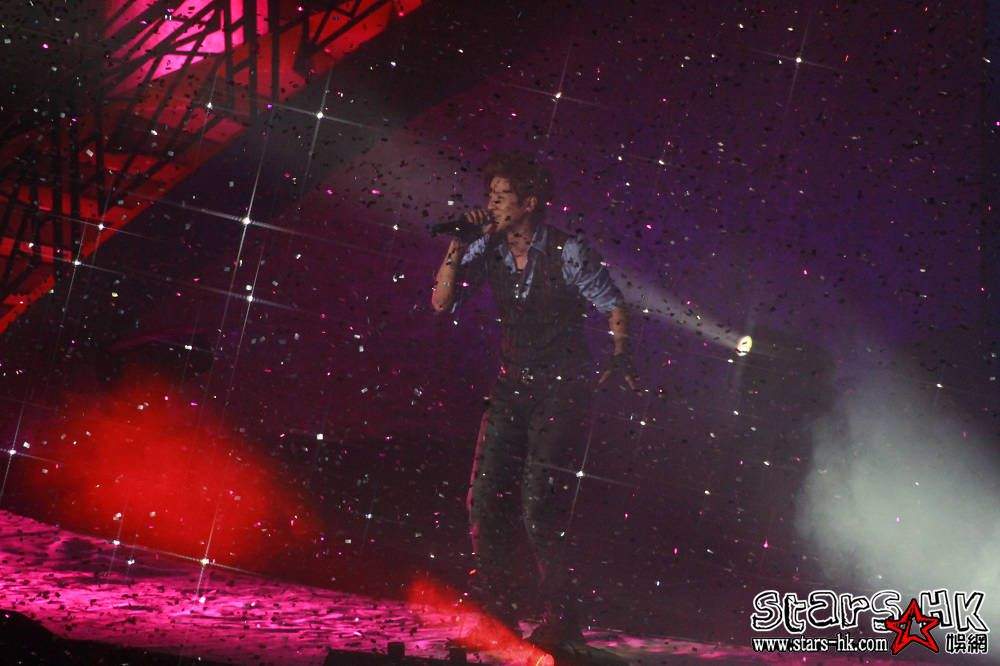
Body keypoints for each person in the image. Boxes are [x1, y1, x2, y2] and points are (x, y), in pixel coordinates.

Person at [430, 151, 638, 653]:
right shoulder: (487, 248)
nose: (492, 205)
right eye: (490, 196)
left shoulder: (568, 251)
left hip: (561, 389)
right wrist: (458, 243)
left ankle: (562, 619)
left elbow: (612, 303)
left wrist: (620, 354)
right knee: (483, 499)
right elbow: (441, 302)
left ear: (529, 202)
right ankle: (497, 608)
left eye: (502, 197)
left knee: (539, 503)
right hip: (511, 386)